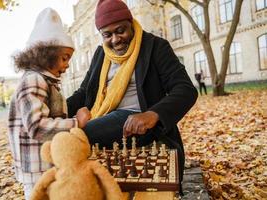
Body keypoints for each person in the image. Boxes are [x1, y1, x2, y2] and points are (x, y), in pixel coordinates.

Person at [66, 0, 198, 191]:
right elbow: (84, 92)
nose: (115, 39)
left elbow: (185, 89)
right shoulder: (101, 54)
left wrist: (153, 114)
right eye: (107, 34)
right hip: (103, 116)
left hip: (139, 124)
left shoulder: (155, 47)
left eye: (121, 30)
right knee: (61, 133)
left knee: (75, 138)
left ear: (131, 23)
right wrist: (55, 110)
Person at [7, 8, 91, 200]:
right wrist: (77, 123)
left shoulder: (45, 81)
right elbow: (37, 127)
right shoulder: (34, 80)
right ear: (46, 55)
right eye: (64, 58)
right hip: (37, 169)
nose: (68, 65)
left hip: (45, 164)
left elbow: (50, 119)